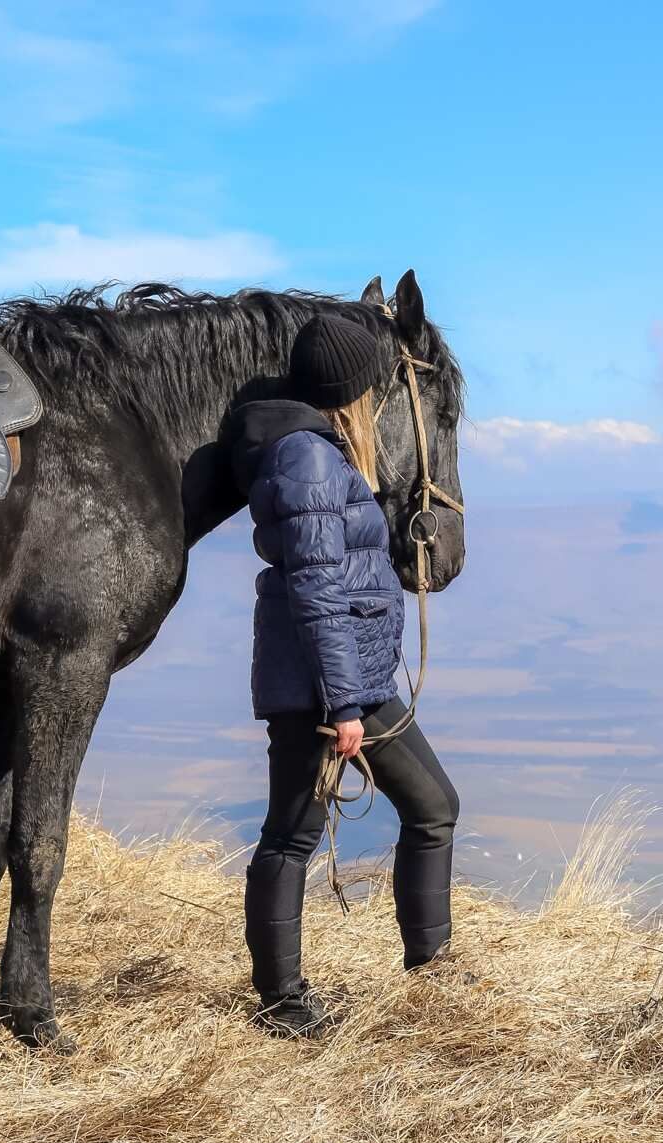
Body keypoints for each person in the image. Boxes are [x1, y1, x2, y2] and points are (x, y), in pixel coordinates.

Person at [228, 312, 460, 1038]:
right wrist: (342, 706)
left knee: (433, 805)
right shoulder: (308, 460)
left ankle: (431, 967)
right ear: (353, 390)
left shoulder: (323, 454)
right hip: (325, 691)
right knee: (291, 838)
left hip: (354, 680)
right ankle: (282, 1002)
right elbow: (318, 587)